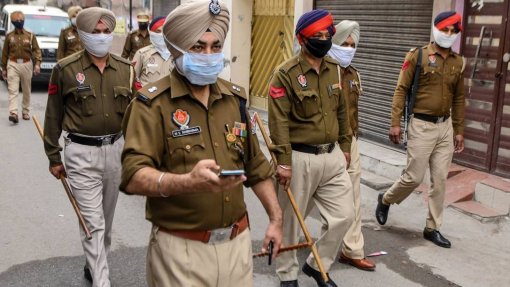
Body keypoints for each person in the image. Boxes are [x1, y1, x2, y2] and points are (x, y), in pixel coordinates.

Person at [120, 1, 282, 286]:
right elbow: (133, 176)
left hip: (237, 245)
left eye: (216, 47)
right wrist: (187, 182)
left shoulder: (235, 100)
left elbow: (256, 167)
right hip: (181, 252)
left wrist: (275, 219)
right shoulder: (151, 104)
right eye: (198, 47)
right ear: (177, 50)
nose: (209, 55)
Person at [43, 7, 132, 286]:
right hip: (81, 155)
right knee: (92, 224)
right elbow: (53, 114)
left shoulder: (126, 70)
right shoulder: (65, 70)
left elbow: (135, 116)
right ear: (82, 35)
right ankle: (101, 281)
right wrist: (53, 155)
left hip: (116, 151)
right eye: (95, 32)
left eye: (106, 32)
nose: (102, 37)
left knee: (105, 222)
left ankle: (92, 264)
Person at [269, 9, 354, 287]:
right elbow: (278, 121)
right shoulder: (285, 74)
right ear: (302, 39)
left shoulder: (335, 70)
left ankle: (317, 265)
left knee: (344, 216)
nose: (323, 40)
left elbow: (342, 111)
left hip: (332, 156)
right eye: (316, 36)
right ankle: (287, 274)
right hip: (298, 157)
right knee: (292, 221)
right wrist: (283, 161)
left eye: (326, 35)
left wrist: (345, 145)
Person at [375, 11, 465, 248]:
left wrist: (458, 129)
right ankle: (385, 198)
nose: (448, 35)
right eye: (444, 29)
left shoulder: (459, 62)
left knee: (440, 180)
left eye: (452, 31)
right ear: (435, 29)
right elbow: (400, 89)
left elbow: (459, 98)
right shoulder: (418, 55)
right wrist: (395, 122)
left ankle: (432, 228)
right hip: (421, 126)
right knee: (414, 177)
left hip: (445, 126)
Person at [327, 20, 376, 271]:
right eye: (343, 44)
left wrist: (351, 142)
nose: (348, 49)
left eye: (352, 45)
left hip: (350, 143)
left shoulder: (354, 74)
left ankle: (352, 250)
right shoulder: (321, 72)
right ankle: (284, 245)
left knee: (353, 199)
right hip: (323, 144)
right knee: (306, 201)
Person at [1, 10, 41, 123]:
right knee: (13, 89)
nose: (19, 22)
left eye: (21, 20)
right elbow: (4, 53)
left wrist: (37, 64)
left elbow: (36, 50)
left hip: (26, 64)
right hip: (12, 64)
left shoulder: (30, 34)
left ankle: (25, 111)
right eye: (17, 20)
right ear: (13, 22)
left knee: (26, 89)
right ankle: (13, 112)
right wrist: (3, 69)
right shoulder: (9, 35)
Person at [131, 16, 173, 90]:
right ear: (151, 33)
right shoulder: (142, 54)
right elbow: (132, 79)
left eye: (165, 31)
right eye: (158, 31)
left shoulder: (177, 55)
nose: (162, 35)